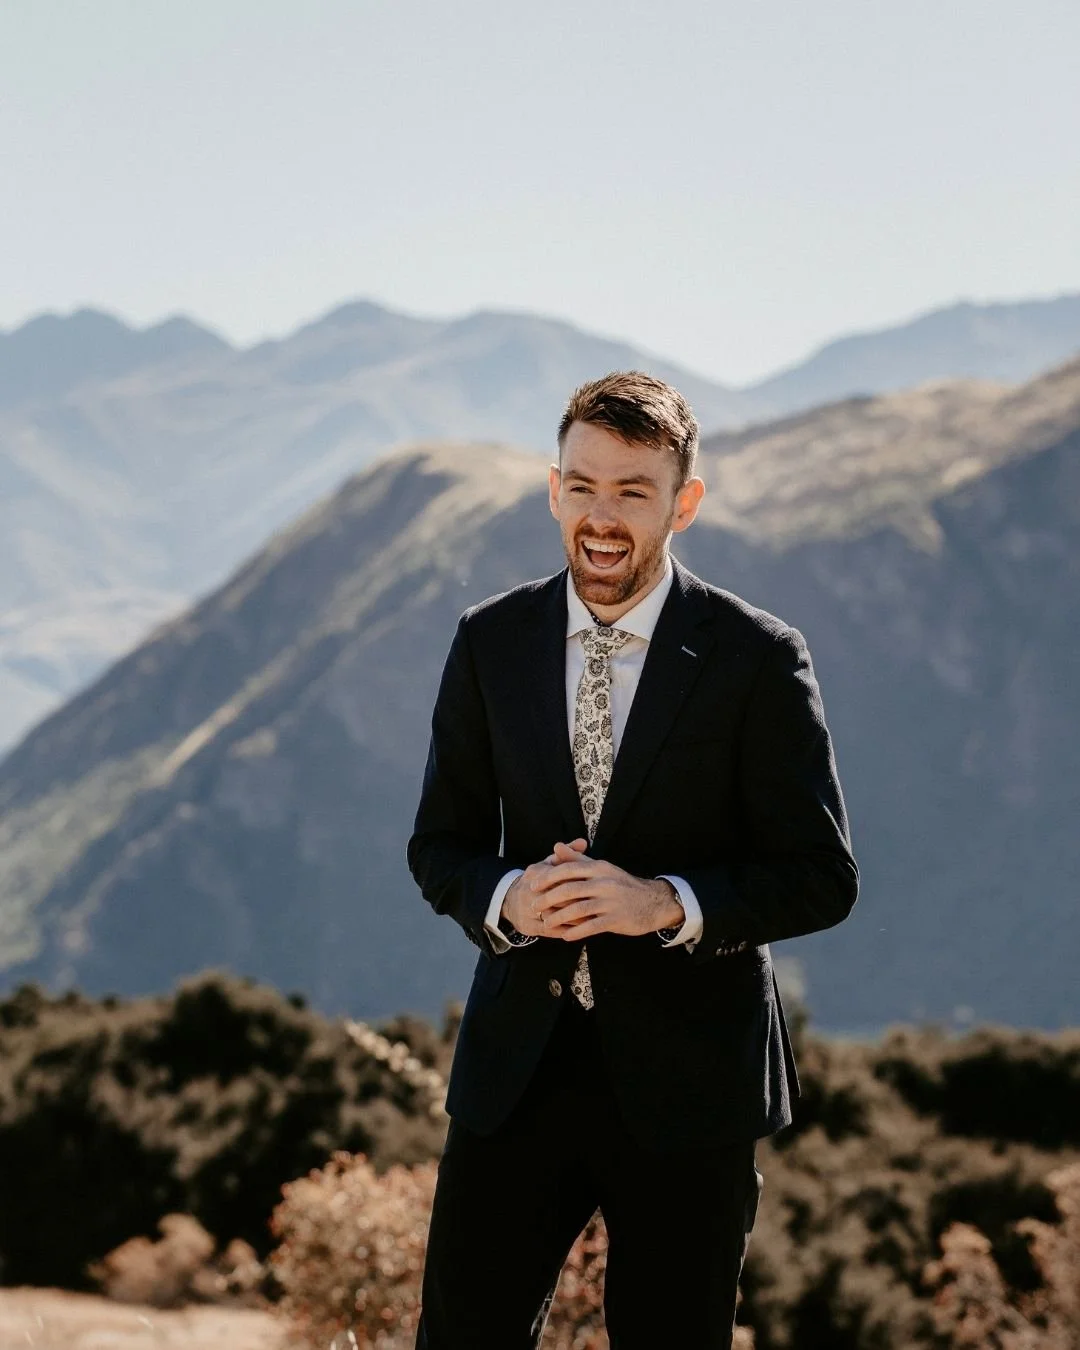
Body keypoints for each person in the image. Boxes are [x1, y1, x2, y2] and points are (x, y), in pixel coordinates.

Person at [407, 370, 858, 1348]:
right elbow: (438, 845)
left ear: (683, 503)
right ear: (552, 486)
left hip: (691, 1087)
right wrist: (508, 898)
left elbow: (821, 875)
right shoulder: (490, 643)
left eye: (631, 491)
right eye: (581, 485)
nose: (600, 516)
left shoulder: (757, 657)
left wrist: (664, 904)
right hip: (516, 1071)